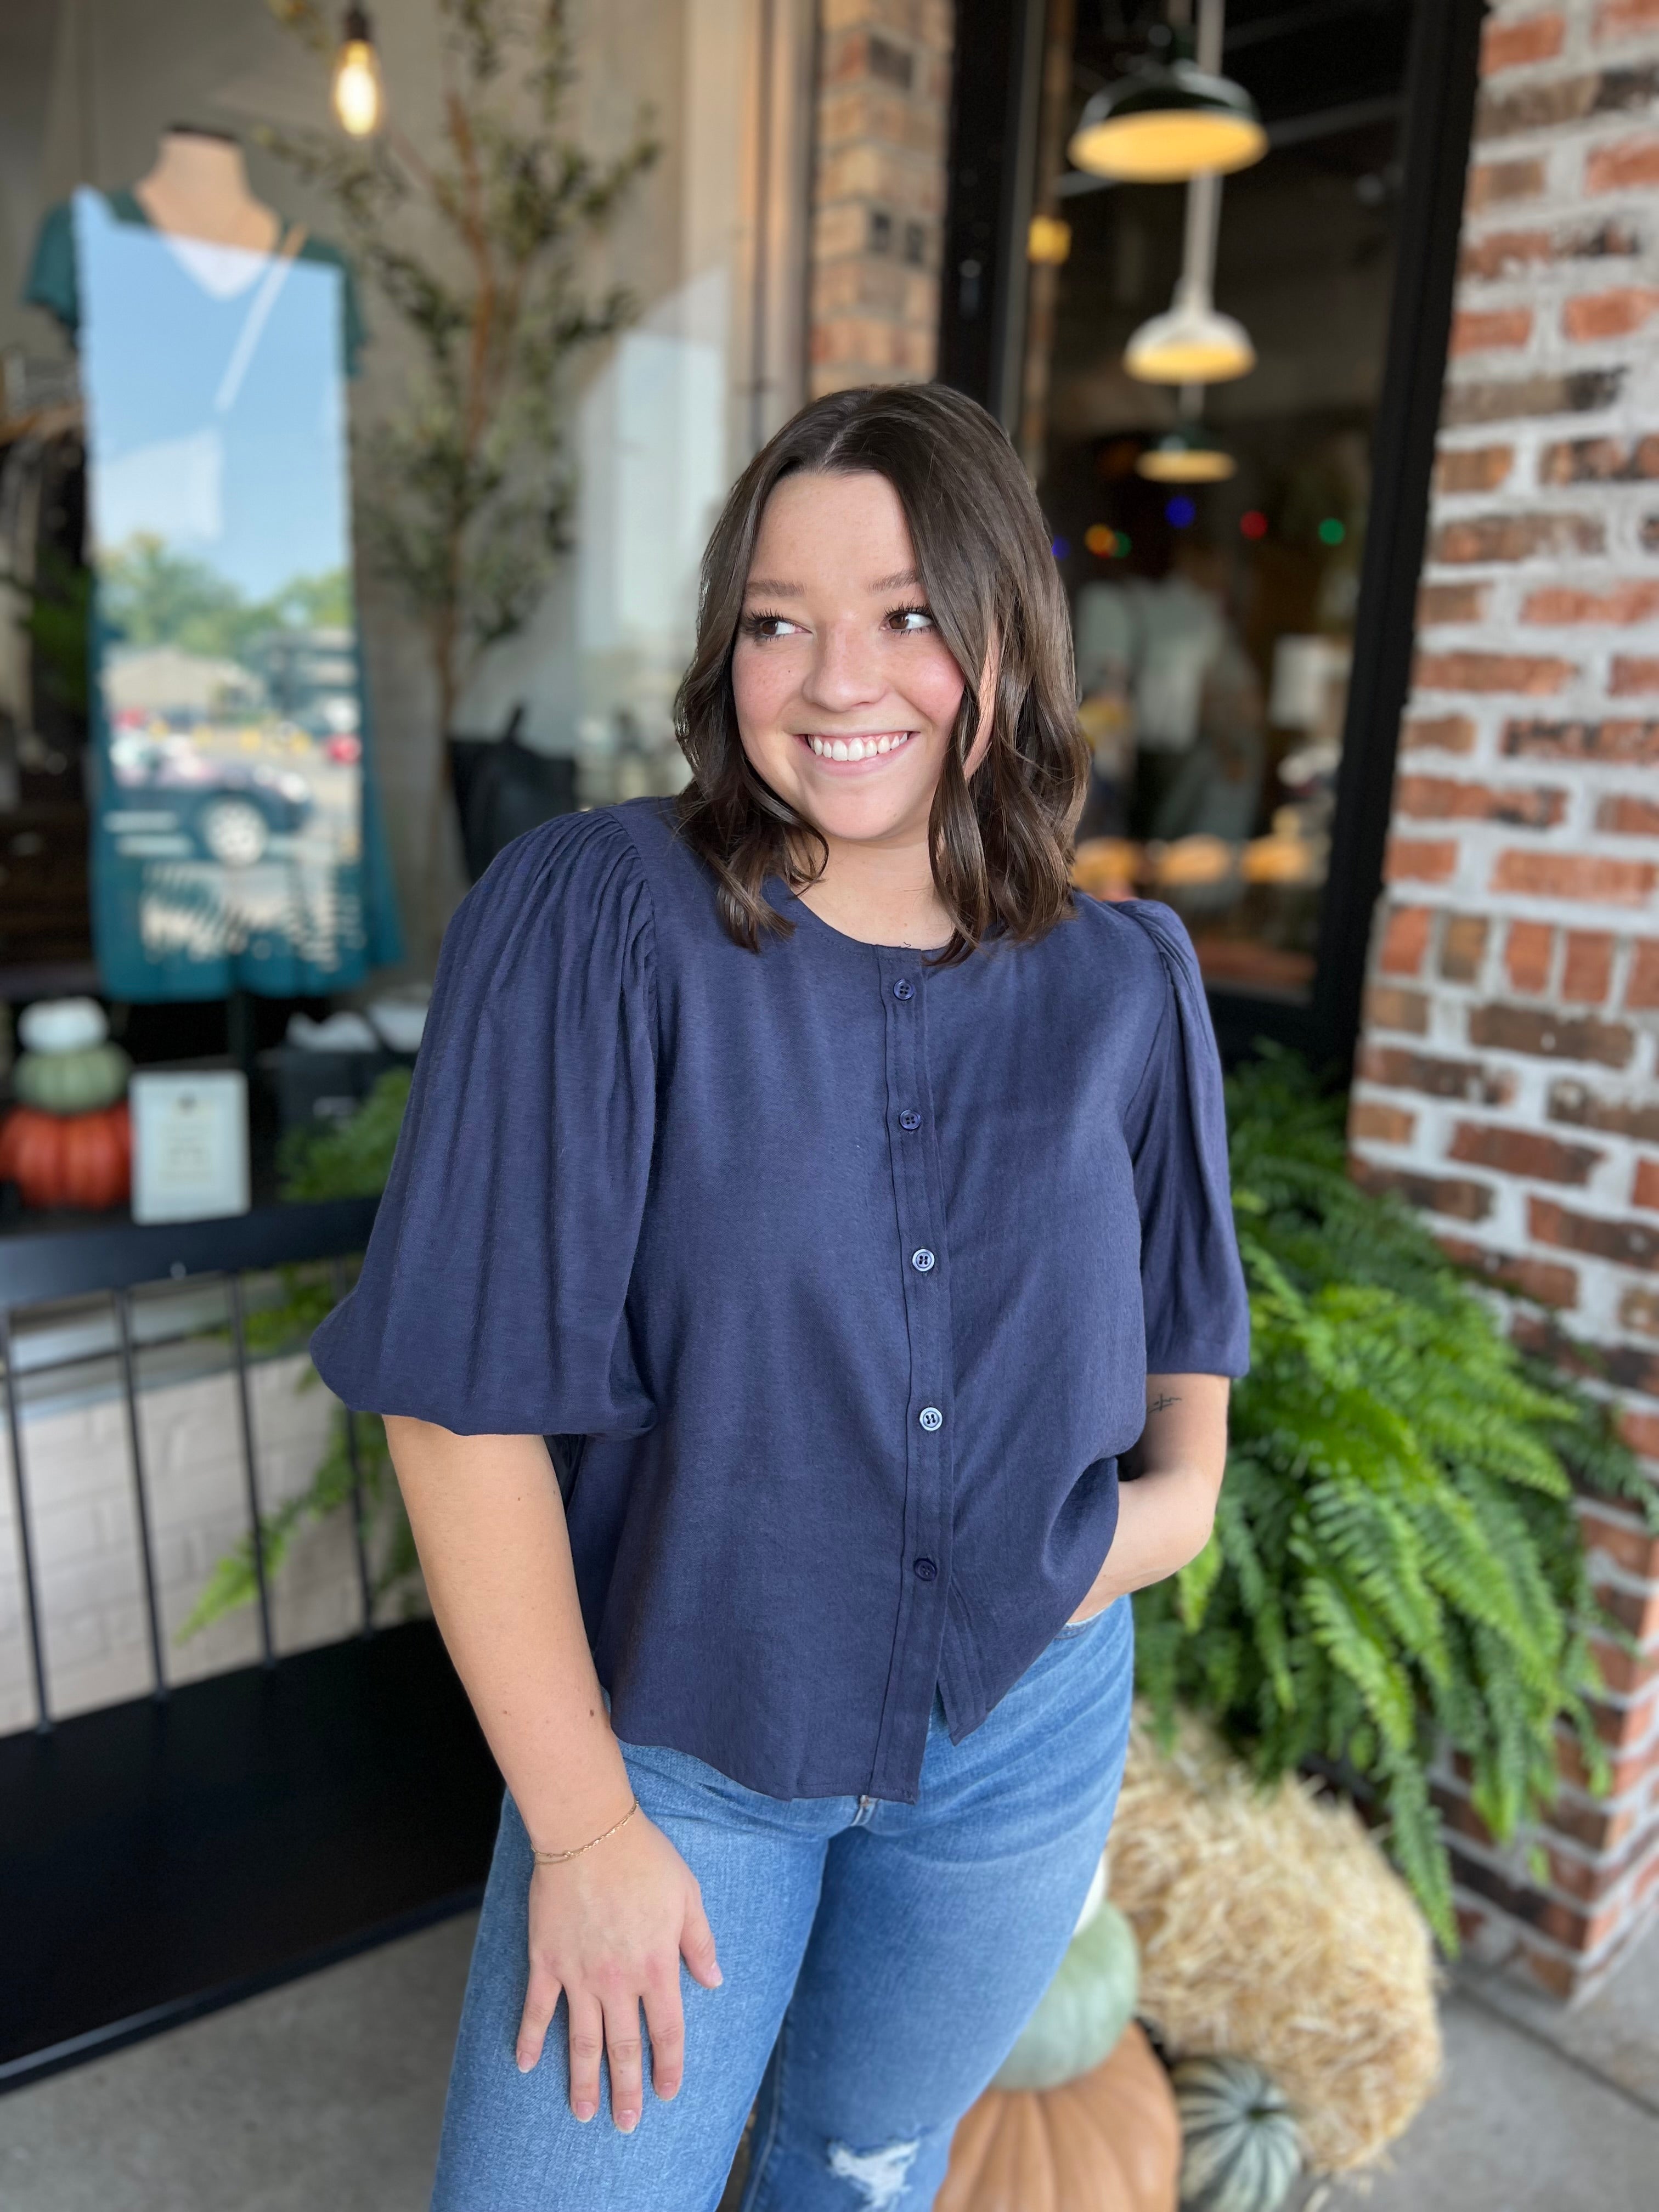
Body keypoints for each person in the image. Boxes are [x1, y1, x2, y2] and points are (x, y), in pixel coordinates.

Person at [311, 382, 1249, 2212]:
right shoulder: (594, 920)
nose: (839, 679)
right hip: (684, 1752)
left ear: (1003, 639)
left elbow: (1181, 1330)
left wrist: (1164, 1521)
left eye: (908, 615)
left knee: (858, 2168)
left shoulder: (1127, 975)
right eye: (777, 621)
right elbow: (457, 1402)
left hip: (1020, 1745)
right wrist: (584, 1833)